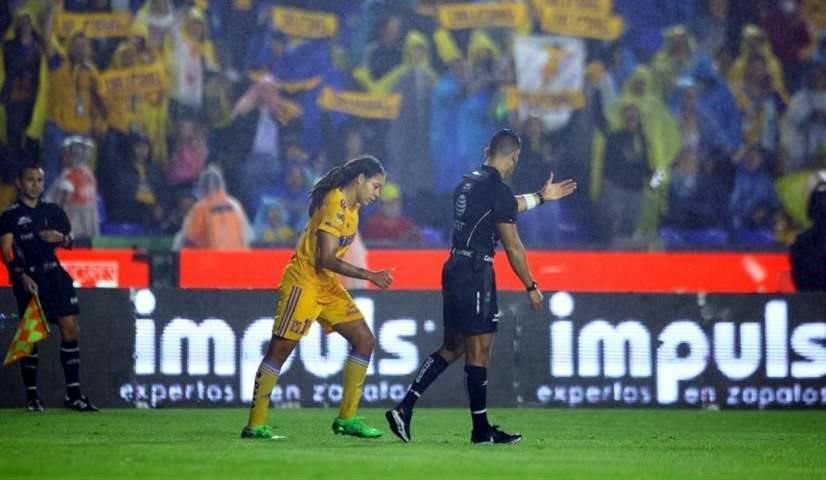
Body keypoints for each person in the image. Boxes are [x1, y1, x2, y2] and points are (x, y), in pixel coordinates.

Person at [385, 129, 576, 445]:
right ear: (513, 156)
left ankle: (408, 410)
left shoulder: (469, 182)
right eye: (516, 159)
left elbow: (504, 205)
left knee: (456, 346)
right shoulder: (496, 189)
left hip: (455, 266)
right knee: (479, 349)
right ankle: (478, 429)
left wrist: (541, 197)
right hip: (476, 270)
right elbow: (513, 245)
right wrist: (531, 285)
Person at [243, 155, 394, 440]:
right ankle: (255, 425)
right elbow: (325, 258)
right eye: (375, 186)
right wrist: (369, 275)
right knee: (279, 350)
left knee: (364, 340)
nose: (377, 194)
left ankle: (347, 419)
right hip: (304, 282)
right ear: (360, 179)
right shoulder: (335, 202)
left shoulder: (354, 208)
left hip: (327, 285)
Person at [0, 163, 98, 411]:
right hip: (29, 277)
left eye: (39, 180)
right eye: (30, 179)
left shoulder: (53, 211)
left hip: (54, 274)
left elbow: (71, 241)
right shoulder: (10, 215)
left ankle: (73, 395)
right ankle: (32, 398)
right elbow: (6, 251)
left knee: (70, 328)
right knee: (32, 335)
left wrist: (61, 238)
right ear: (19, 183)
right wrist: (19, 274)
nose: (35, 185)